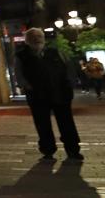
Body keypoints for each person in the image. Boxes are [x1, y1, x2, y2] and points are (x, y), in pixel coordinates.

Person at [15, 29, 83, 161]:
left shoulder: (56, 52)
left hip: (60, 93)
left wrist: (70, 84)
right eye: (33, 37)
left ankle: (73, 150)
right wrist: (27, 86)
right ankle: (48, 150)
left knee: (67, 123)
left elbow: (69, 68)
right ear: (27, 40)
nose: (37, 39)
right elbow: (19, 74)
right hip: (37, 95)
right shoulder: (22, 56)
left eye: (39, 36)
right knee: (42, 124)